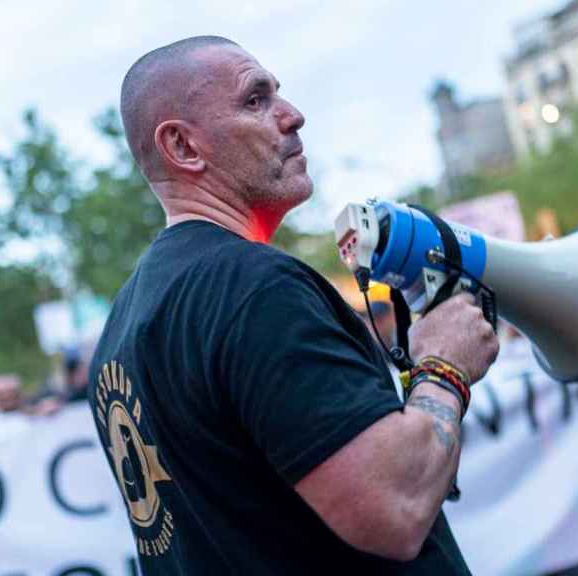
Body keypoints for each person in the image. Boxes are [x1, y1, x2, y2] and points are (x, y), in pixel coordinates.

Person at [87, 36, 498, 574]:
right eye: (255, 100)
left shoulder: (123, 325)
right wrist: (443, 366)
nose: (293, 116)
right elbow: (394, 507)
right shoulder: (253, 288)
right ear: (183, 148)